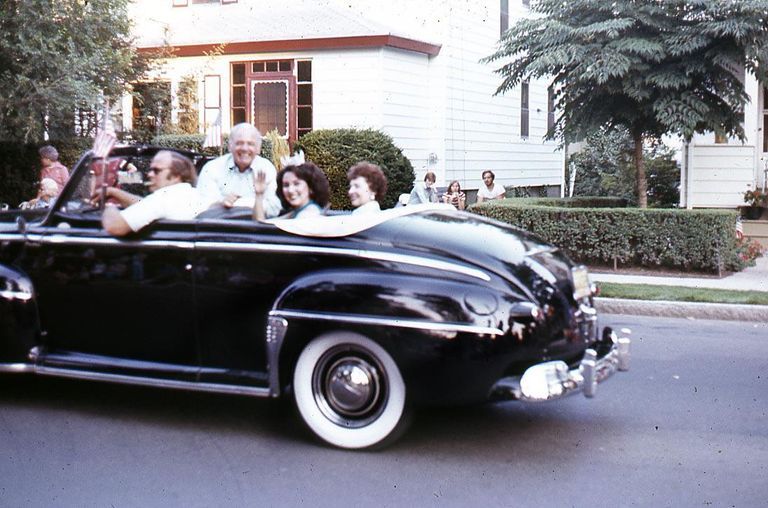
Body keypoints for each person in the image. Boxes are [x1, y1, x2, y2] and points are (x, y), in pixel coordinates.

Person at [101, 150, 207, 236]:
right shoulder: (192, 194)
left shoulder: (164, 198)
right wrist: (114, 192)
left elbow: (115, 226)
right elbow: (144, 204)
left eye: (156, 170)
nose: (150, 174)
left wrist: (110, 207)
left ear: (176, 176)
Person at [196, 122, 280, 215]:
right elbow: (201, 207)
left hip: (257, 227)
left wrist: (236, 205)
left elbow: (274, 209)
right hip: (220, 227)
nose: (244, 148)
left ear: (258, 148)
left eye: (250, 144)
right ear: (230, 146)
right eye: (239, 143)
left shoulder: (266, 168)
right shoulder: (212, 168)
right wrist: (220, 204)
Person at [253, 161, 330, 220]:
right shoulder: (297, 211)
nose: (290, 190)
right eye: (286, 185)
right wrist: (259, 194)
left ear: (310, 187)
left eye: (296, 184)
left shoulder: (308, 214)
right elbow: (263, 225)